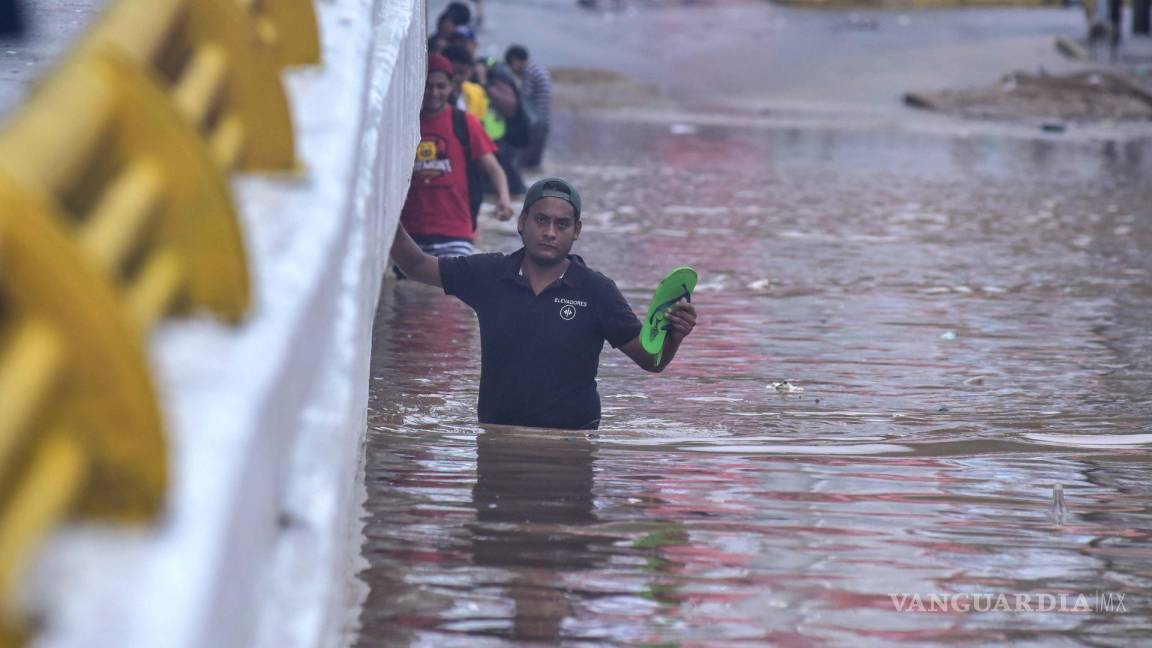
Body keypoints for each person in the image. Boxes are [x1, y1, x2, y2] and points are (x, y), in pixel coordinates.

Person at [389, 177, 698, 430]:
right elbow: (415, 265)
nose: (550, 232)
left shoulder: (596, 290)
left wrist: (675, 336)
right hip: (498, 436)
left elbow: (651, 361)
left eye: (562, 224)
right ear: (522, 222)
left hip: (572, 443)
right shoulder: (488, 275)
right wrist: (382, 203)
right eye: (541, 220)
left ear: (576, 231)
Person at [401, 53, 513, 259]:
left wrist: (504, 198)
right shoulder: (405, 123)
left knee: (451, 292)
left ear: (451, 86)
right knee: (406, 291)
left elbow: (493, 167)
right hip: (410, 235)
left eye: (441, 86)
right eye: (428, 86)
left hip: (455, 233)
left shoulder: (465, 123)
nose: (434, 92)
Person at [505, 45, 553, 169]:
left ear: (515, 61)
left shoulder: (529, 72)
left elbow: (524, 99)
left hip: (534, 124)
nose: (513, 70)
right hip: (544, 121)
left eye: (511, 66)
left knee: (525, 164)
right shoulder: (538, 68)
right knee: (535, 164)